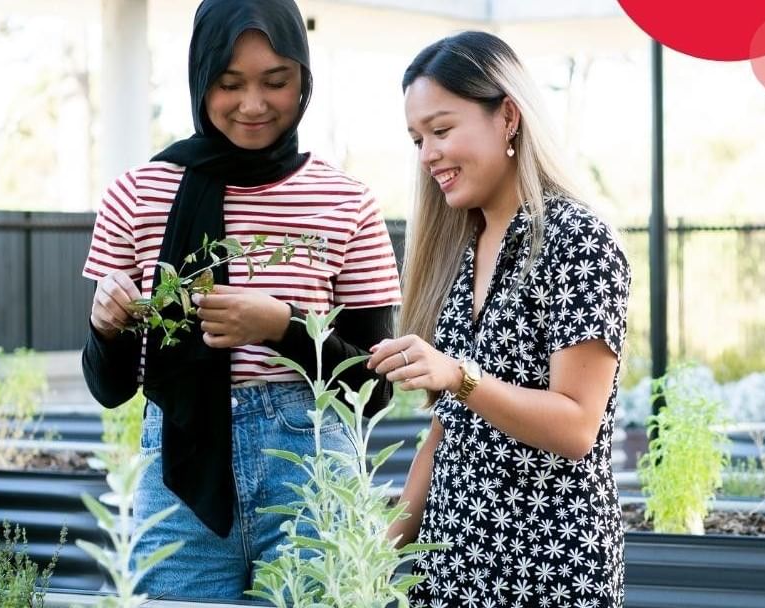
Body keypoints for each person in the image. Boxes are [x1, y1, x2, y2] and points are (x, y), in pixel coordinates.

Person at [80, 0, 402, 600]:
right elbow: (111, 387)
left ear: (304, 80)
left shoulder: (345, 201)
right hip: (178, 468)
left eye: (276, 82)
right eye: (230, 84)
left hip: (311, 468)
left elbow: (374, 389)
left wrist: (281, 326)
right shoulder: (138, 194)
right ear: (200, 79)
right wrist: (106, 328)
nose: (253, 104)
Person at [367, 31, 631, 608]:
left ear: (508, 116)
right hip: (448, 568)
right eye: (417, 139)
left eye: (441, 130)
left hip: (549, 569)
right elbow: (449, 433)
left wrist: (460, 375)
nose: (427, 154)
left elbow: (577, 426)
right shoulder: (463, 247)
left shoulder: (575, 239)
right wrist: (374, 553)